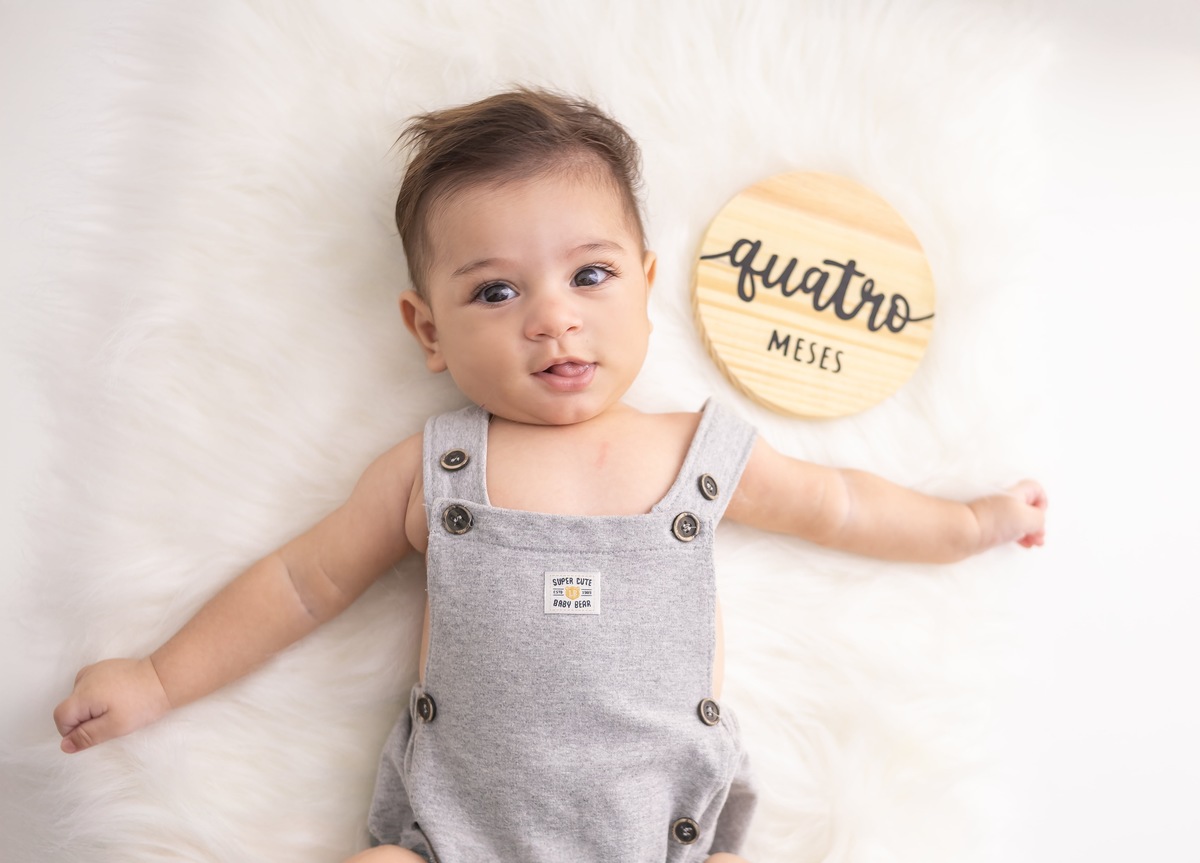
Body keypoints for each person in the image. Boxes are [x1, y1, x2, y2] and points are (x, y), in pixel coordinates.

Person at [52, 88, 1047, 863]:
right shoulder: (437, 467)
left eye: (591, 274)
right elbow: (299, 583)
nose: (554, 317)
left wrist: (970, 521)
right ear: (427, 328)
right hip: (454, 830)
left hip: (660, 826)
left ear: (648, 285)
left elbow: (839, 503)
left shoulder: (694, 455)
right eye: (496, 289)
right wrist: (156, 677)